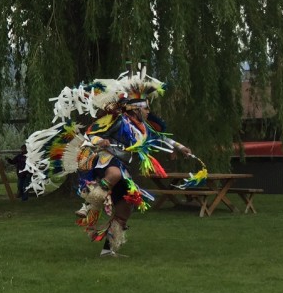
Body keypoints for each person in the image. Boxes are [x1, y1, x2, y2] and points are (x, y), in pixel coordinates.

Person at [25, 65, 198, 257]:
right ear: (136, 108)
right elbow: (91, 135)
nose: (149, 111)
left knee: (125, 208)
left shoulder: (143, 128)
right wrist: (103, 141)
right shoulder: (116, 120)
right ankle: (89, 205)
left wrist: (179, 147)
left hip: (120, 165)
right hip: (101, 159)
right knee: (114, 173)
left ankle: (108, 250)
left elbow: (160, 138)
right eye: (147, 107)